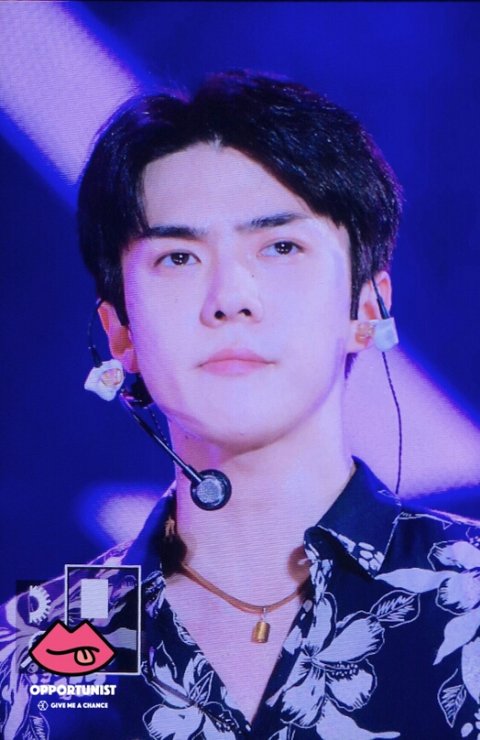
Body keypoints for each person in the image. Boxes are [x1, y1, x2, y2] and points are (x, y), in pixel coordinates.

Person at [1, 69, 480, 740]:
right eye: (177, 258)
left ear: (369, 307)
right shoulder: (34, 651)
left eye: (280, 247)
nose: (229, 297)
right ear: (119, 333)